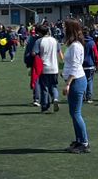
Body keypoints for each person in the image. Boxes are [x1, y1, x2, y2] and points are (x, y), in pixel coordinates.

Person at [61, 19, 91, 152]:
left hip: (76, 81)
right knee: (73, 113)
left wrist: (68, 83)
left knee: (76, 113)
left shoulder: (75, 46)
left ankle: (84, 142)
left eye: (65, 27)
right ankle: (79, 140)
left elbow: (75, 66)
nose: (63, 29)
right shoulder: (73, 45)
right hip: (75, 80)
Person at [37, 23, 61, 113]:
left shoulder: (39, 41)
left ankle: (45, 106)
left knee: (44, 87)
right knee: (54, 86)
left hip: (43, 68)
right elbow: (59, 52)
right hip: (54, 67)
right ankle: (55, 98)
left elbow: (34, 53)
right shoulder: (55, 41)